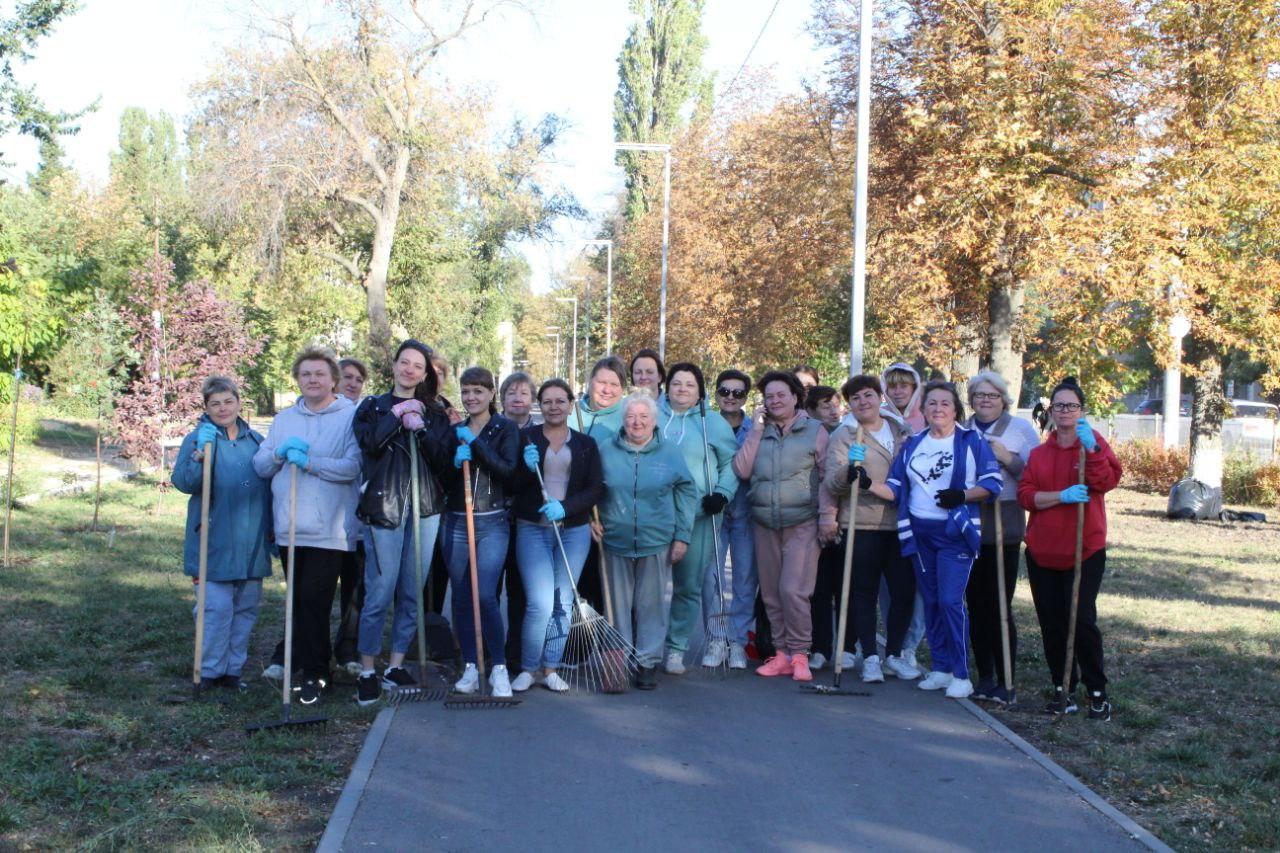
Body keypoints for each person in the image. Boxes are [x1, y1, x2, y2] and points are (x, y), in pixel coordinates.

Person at [871, 380, 1002, 699]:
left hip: (955, 534)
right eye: (931, 403)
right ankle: (941, 668)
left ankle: (961, 673)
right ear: (923, 409)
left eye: (944, 403)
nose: (938, 408)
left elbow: (993, 482)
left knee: (950, 601)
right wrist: (865, 483)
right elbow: (895, 488)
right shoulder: (914, 444)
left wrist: (963, 495)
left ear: (955, 408)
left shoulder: (971, 441)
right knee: (930, 602)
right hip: (919, 534)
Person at [253, 346, 361, 705]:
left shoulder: (349, 417)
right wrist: (279, 454)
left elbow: (351, 468)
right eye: (305, 375)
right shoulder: (284, 420)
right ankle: (304, 662)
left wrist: (311, 462)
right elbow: (260, 465)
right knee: (298, 600)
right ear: (297, 380)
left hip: (330, 528)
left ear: (334, 379)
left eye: (319, 374)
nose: (312, 380)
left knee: (315, 599)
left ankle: (316, 672)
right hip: (290, 524)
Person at [351, 340, 454, 706]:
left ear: (425, 374)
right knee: (380, 589)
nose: (409, 370)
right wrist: (395, 417)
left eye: (417, 366)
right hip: (385, 507)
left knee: (412, 591)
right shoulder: (372, 407)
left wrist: (422, 427)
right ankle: (366, 669)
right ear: (393, 366)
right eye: (404, 363)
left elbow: (443, 461)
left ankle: (394, 665)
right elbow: (369, 445)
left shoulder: (437, 414)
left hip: (425, 509)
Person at [1018, 377, 1122, 720]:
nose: (1065, 411)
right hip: (1043, 551)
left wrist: (1092, 452)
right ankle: (1063, 687)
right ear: (1051, 410)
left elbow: (1104, 482)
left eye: (1072, 406)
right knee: (1052, 622)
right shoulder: (1039, 454)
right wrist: (1059, 497)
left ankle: (1097, 692)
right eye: (1059, 405)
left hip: (1084, 549)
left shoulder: (1094, 445)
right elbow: (1026, 495)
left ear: (1082, 410)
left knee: (1081, 621)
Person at [732, 371, 836, 683]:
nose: (775, 401)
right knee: (773, 594)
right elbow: (742, 469)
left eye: (781, 395)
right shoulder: (758, 432)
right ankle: (780, 654)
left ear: (795, 397)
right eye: (769, 396)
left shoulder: (815, 431)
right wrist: (755, 432)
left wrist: (828, 517)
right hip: (764, 523)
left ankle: (800, 653)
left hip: (802, 523)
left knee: (794, 591)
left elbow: (828, 478)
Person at [172, 376, 273, 692]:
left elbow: (271, 485)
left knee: (244, 611)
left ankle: (232, 672)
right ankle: (210, 672)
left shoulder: (256, 440)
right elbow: (184, 482)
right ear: (206, 408)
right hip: (214, 540)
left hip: (251, 542)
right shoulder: (199, 439)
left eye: (228, 401)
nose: (223, 408)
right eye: (215, 403)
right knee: (215, 611)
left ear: (239, 403)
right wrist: (200, 457)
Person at [593, 392, 696, 689]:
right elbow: (590, 490)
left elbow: (687, 493)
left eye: (643, 417)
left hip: (656, 540)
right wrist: (592, 521)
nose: (637, 422)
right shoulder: (605, 451)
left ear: (654, 421)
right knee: (618, 607)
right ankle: (619, 660)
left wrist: (682, 536)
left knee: (650, 606)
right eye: (630, 417)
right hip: (614, 540)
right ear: (622, 420)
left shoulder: (670, 453)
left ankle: (647, 661)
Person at [510, 379, 604, 692]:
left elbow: (594, 488)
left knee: (563, 600)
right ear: (540, 404)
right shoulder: (527, 439)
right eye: (547, 401)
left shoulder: (585, 444)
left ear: (570, 403)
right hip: (533, 529)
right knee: (539, 602)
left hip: (573, 530)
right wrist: (525, 467)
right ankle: (529, 667)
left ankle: (551, 668)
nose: (553, 407)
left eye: (559, 401)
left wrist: (565, 508)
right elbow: (512, 484)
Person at [824, 375, 919, 683]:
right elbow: (832, 483)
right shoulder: (845, 435)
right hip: (861, 522)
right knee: (862, 594)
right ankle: (872, 657)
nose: (863, 402)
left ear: (880, 397)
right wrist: (848, 469)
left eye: (868, 395)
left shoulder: (901, 431)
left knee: (903, 592)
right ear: (849, 404)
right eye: (855, 398)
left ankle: (893, 653)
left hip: (899, 524)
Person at [963, 370, 1040, 704]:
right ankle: (985, 675)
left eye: (992, 396)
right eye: (979, 395)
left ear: (1004, 400)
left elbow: (1035, 472)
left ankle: (1007, 678)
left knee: (999, 604)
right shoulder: (962, 428)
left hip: (1003, 525)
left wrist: (1006, 457)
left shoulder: (1020, 429)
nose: (985, 401)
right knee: (976, 606)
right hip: (969, 525)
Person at [443, 366, 520, 697]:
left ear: (491, 394)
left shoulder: (505, 429)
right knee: (461, 596)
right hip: (457, 521)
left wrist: (476, 446)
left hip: (492, 521)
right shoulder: (455, 430)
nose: (471, 397)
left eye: (477, 391)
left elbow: (508, 472)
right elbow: (444, 482)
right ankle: (472, 665)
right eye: (465, 391)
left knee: (485, 594)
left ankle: (499, 666)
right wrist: (452, 461)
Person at [657, 363, 738, 671]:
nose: (682, 389)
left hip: (699, 515)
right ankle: (646, 646)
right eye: (676, 383)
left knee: (688, 585)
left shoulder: (712, 423)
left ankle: (676, 647)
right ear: (667, 388)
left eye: (690, 385)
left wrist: (722, 493)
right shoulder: (653, 415)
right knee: (649, 587)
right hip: (657, 515)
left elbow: (731, 462)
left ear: (700, 391)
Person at [572, 356, 628, 609]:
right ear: (590, 382)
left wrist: (602, 517)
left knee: (613, 595)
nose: (607, 389)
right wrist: (584, 516)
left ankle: (614, 648)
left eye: (614, 384)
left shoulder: (628, 419)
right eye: (601, 382)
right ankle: (580, 646)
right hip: (574, 516)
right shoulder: (570, 414)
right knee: (579, 591)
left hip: (612, 519)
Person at [805, 384, 853, 670]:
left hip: (848, 519)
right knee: (819, 587)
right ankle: (820, 646)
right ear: (811, 411)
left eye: (836, 404)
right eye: (826, 405)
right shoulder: (810, 436)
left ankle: (846, 647)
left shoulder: (849, 434)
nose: (833, 409)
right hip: (815, 519)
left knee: (846, 585)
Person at [712, 369, 757, 669]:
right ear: (716, 393)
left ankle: (738, 641)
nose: (731, 397)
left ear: (745, 397)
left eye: (738, 393)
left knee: (743, 579)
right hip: (713, 511)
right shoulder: (705, 425)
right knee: (711, 578)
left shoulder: (756, 428)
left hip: (746, 511)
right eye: (725, 391)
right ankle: (716, 639)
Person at [498, 370, 539, 671]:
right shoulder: (491, 429)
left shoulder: (537, 435)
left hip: (524, 521)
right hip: (490, 517)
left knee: (519, 591)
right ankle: (487, 651)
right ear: (502, 398)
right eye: (511, 392)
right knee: (488, 590)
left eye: (524, 393)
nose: (517, 398)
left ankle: (515, 653)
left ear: (532, 400)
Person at [334, 355, 370, 674]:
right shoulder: (325, 414)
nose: (353, 383)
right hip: (325, 521)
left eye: (359, 379)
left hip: (359, 520)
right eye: (347, 377)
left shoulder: (367, 414)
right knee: (313, 593)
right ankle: (297, 651)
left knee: (356, 591)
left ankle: (348, 649)